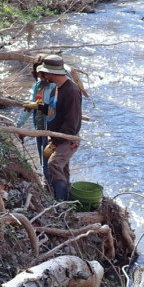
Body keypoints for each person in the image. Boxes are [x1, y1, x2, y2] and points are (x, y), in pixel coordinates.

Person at [24, 54, 82, 201]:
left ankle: (59, 202)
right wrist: (38, 106)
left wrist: (55, 142)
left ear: (52, 73)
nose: (43, 76)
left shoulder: (72, 92)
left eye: (45, 72)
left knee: (54, 164)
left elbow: (71, 124)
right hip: (58, 136)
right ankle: (67, 199)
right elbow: (53, 109)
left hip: (68, 138)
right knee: (63, 168)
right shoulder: (57, 88)